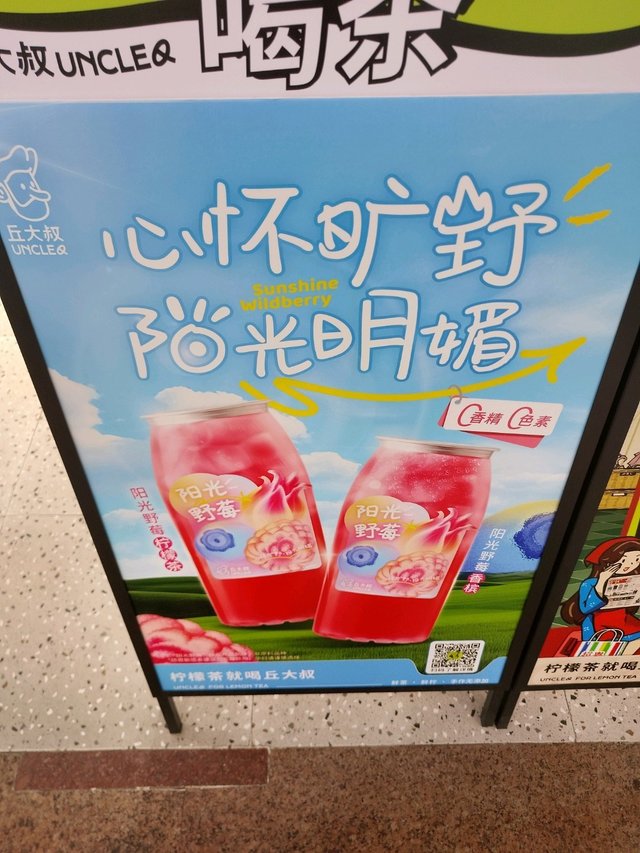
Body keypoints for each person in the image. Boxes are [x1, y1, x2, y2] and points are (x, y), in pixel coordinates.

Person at [560, 537, 640, 642]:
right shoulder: (590, 583)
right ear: (609, 560)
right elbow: (586, 608)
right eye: (624, 560)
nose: (630, 565)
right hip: (597, 623)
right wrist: (602, 581)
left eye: (637, 560)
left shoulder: (633, 581)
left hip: (623, 619)